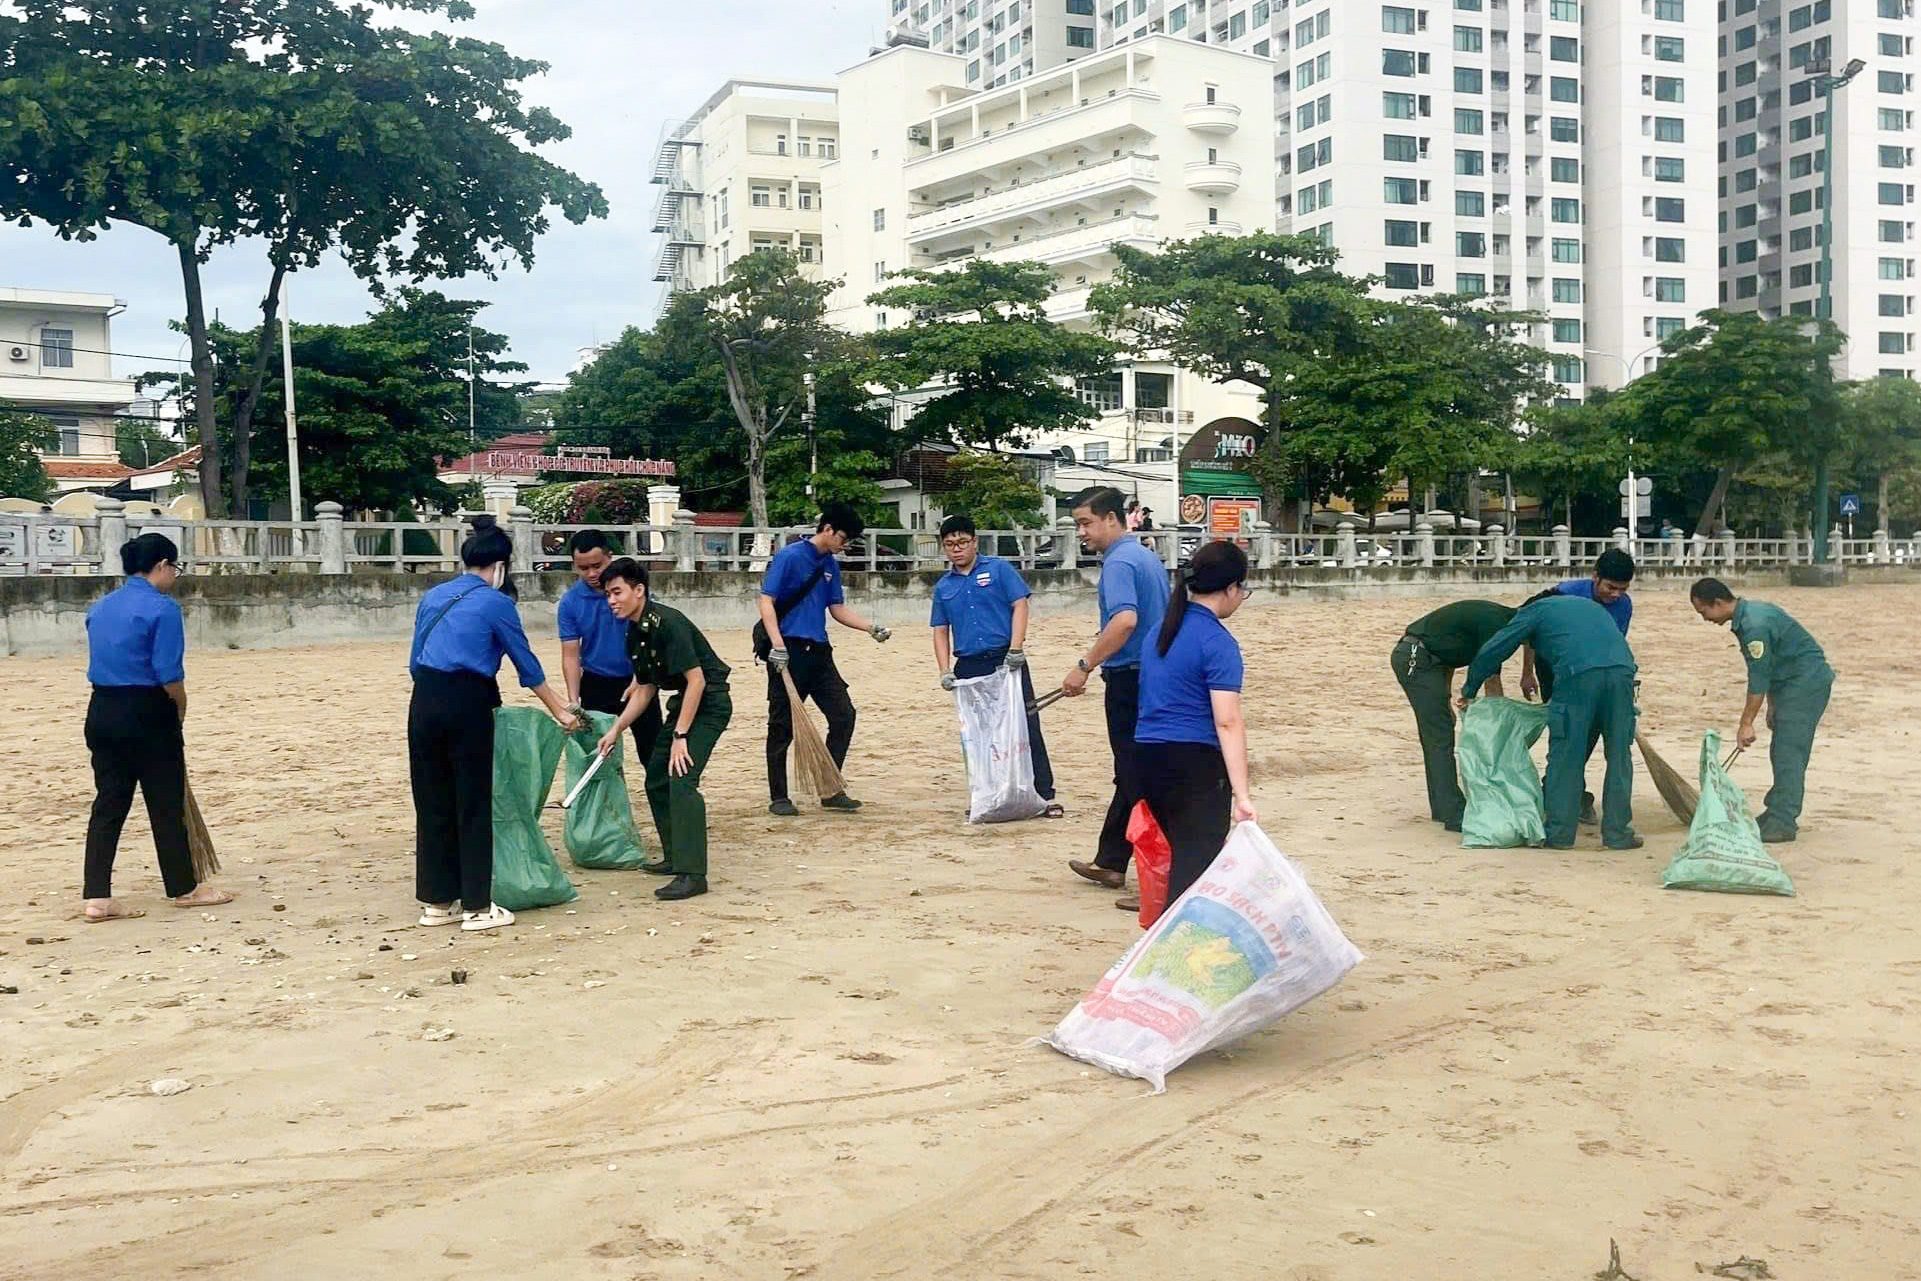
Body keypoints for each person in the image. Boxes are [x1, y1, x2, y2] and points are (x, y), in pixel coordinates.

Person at [408, 517, 578, 932]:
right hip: (468, 702)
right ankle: (478, 907)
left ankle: (436, 902)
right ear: (500, 567)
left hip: (424, 701)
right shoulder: (497, 602)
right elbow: (526, 664)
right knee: (472, 801)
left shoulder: (432, 596)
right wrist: (559, 708)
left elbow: (415, 659)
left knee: (432, 799)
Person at [80, 532, 232, 922]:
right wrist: (181, 708)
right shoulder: (162, 609)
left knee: (108, 804)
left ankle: (97, 896)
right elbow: (169, 675)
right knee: (165, 801)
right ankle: (183, 887)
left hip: (101, 709)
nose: (175, 576)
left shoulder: (100, 607)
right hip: (146, 710)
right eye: (175, 568)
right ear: (162, 565)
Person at [1459, 594, 1642, 851]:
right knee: (1619, 755)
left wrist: (1469, 688)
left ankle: (1560, 833)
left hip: (1578, 676)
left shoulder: (1532, 613)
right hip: (1623, 673)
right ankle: (1618, 834)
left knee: (1567, 755)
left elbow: (1494, 649)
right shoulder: (1588, 606)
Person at [596, 559, 732, 899]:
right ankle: (674, 855)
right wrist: (616, 729)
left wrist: (681, 736)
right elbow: (644, 688)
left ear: (639, 590)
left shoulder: (667, 623)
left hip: (708, 703)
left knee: (681, 779)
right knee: (656, 776)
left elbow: (697, 679)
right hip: (685, 703)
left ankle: (692, 874)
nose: (611, 600)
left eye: (617, 592)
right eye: (607, 594)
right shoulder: (635, 629)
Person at [1062, 487, 1172, 901]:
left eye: (1086, 523)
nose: (1082, 532)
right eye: (1078, 524)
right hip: (1153, 674)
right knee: (1134, 772)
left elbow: (1125, 621)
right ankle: (1111, 860)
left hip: (1130, 677)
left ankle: (1151, 876)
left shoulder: (1120, 562)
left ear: (1112, 519)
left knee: (1136, 774)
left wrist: (1084, 665)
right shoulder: (1145, 556)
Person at [1136, 541, 1258, 906]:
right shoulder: (1217, 642)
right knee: (1195, 878)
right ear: (1231, 589)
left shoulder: (1160, 630)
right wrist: (1242, 794)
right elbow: (1227, 722)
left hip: (1147, 757)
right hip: (1194, 765)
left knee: (1181, 865)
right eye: (1243, 591)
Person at [758, 502, 891, 816]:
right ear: (828, 529)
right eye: (843, 538)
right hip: (787, 650)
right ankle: (779, 796)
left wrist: (871, 628)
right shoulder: (789, 557)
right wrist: (777, 646)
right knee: (782, 726)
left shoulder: (830, 565)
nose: (844, 545)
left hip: (819, 652)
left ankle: (829, 788)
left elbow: (837, 609)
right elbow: (766, 602)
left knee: (844, 716)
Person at [930, 513, 1060, 816]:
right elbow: (939, 629)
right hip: (969, 665)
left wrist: (1016, 648)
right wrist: (944, 670)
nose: (957, 548)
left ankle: (1043, 793)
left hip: (1006, 659)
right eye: (950, 544)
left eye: (962, 542)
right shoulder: (943, 587)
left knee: (1025, 724)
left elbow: (1020, 604)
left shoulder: (999, 570)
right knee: (978, 733)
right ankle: (987, 794)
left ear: (975, 542)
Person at [1688, 578, 1834, 843]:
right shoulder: (1751, 613)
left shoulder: (1754, 626)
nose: (1704, 618)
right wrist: (1774, 705)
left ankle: (1783, 821)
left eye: (1704, 612)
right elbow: (1772, 666)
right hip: (1789, 683)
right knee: (1781, 749)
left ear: (1718, 603)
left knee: (1789, 751)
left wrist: (1746, 723)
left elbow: (1758, 677)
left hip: (1804, 683)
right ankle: (1776, 810)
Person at [1392, 599, 1517, 832]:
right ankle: (1453, 813)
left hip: (1429, 660)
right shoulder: (1497, 626)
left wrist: (1446, 699)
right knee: (1439, 736)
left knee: (1441, 730)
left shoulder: (1497, 617)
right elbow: (1492, 680)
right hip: (1414, 658)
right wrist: (1498, 722)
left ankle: (1442, 807)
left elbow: (1446, 652)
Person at [558, 529, 661, 769]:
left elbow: (651, 638)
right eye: (583, 568)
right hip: (597, 684)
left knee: (654, 751)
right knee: (599, 756)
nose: (592, 574)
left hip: (639, 681)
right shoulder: (571, 602)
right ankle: (606, 806)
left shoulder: (633, 592)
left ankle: (664, 803)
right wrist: (574, 701)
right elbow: (571, 655)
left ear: (610, 557)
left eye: (597, 565)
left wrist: (641, 676)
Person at [1520, 548, 1636, 700]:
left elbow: (1615, 644)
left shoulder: (1624, 604)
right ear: (1595, 576)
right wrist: (1527, 673)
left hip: (1592, 664)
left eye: (1623, 589)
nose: (1616, 594)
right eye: (1611, 587)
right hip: (1553, 662)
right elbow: (1531, 632)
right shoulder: (1562, 595)